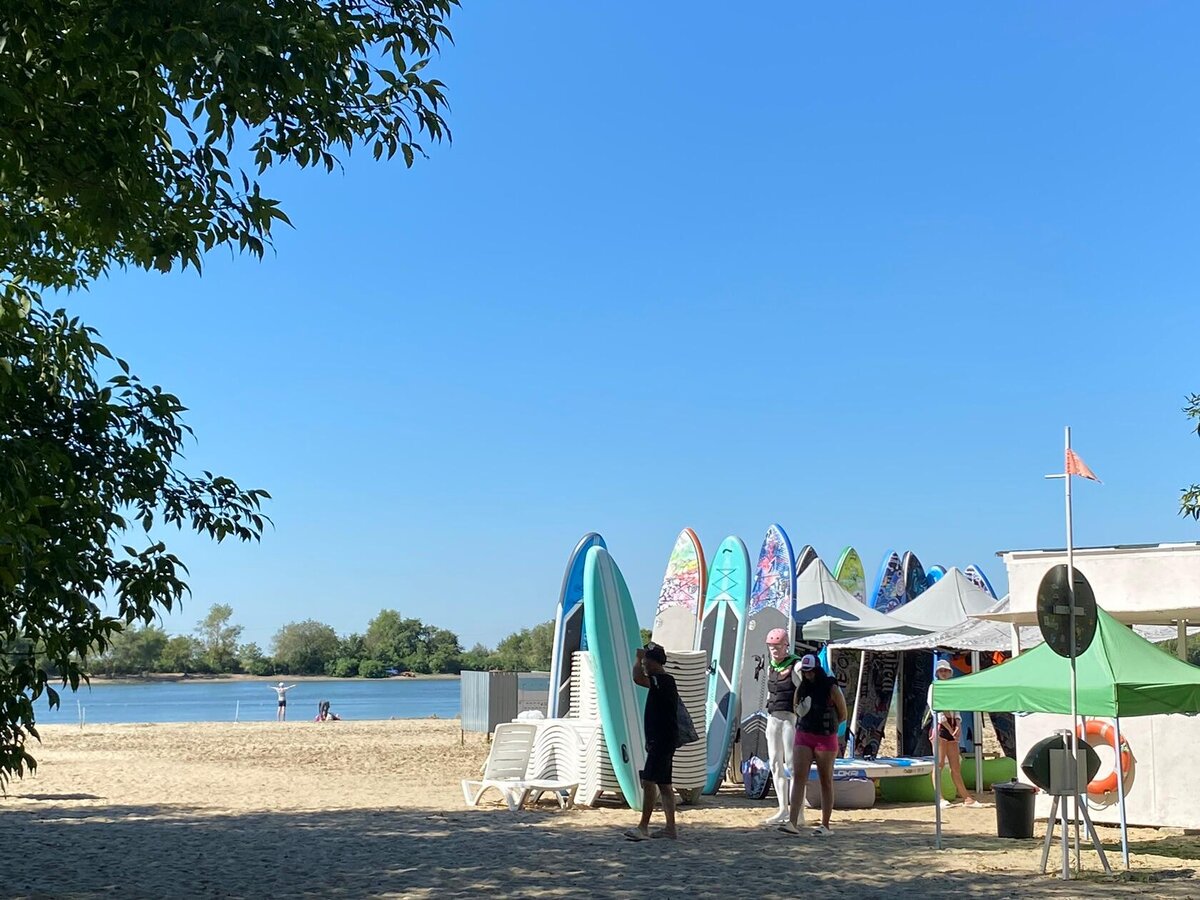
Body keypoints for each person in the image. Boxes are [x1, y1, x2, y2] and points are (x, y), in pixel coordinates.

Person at [782, 654, 847, 836]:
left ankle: (825, 825)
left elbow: (843, 714)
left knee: (825, 780)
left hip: (825, 738)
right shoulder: (802, 688)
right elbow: (796, 709)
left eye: (811, 671)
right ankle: (792, 822)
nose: (808, 675)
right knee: (799, 778)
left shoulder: (831, 688)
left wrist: (829, 726)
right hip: (804, 736)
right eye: (805, 671)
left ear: (817, 669)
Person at [625, 642, 680, 841]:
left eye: (647, 661)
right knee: (664, 784)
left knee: (648, 781)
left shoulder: (663, 680)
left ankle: (643, 827)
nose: (644, 664)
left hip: (662, 739)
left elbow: (637, 678)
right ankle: (670, 828)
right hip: (663, 738)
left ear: (654, 662)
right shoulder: (663, 681)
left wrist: (637, 659)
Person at [762, 628, 801, 825]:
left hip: (789, 719)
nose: (774, 650)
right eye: (771, 647)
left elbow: (804, 691)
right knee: (775, 763)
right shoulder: (771, 667)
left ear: (786, 646)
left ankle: (798, 812)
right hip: (773, 718)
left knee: (792, 765)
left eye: (778, 646)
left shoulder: (796, 665)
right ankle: (782, 809)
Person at [929, 659, 977, 807]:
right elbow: (935, 708)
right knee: (939, 764)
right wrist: (951, 728)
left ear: (950, 673)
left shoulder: (951, 687)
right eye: (941, 671)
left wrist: (958, 726)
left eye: (946, 671)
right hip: (940, 726)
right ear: (937, 673)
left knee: (955, 765)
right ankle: (940, 798)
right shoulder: (934, 687)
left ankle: (967, 798)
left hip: (952, 724)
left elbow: (956, 708)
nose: (944, 673)